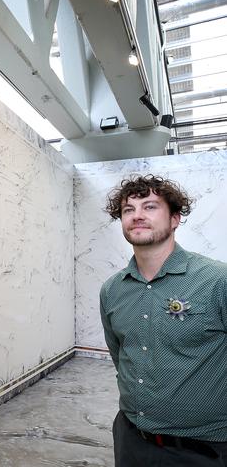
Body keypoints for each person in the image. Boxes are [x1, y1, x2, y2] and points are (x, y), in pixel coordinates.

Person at [100, 174, 227, 466]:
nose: (137, 216)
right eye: (128, 210)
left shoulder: (217, 281)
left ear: (174, 219)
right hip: (132, 440)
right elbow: (121, 356)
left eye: (150, 206)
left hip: (204, 450)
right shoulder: (112, 289)